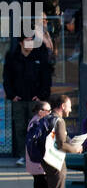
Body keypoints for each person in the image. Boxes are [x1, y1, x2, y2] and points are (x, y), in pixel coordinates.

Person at [2, 34, 54, 163]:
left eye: (32, 41)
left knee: (36, 127)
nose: (31, 44)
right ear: (21, 43)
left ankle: (34, 154)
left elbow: (46, 77)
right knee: (20, 128)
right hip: (18, 100)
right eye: (28, 41)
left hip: (35, 100)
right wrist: (12, 95)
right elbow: (7, 77)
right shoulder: (13, 57)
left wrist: (41, 95)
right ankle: (23, 155)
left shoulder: (39, 56)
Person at [41, 94, 83, 188]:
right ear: (63, 106)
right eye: (69, 106)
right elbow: (61, 144)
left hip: (47, 160)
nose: (70, 110)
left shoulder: (48, 118)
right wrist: (75, 149)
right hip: (55, 161)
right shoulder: (59, 121)